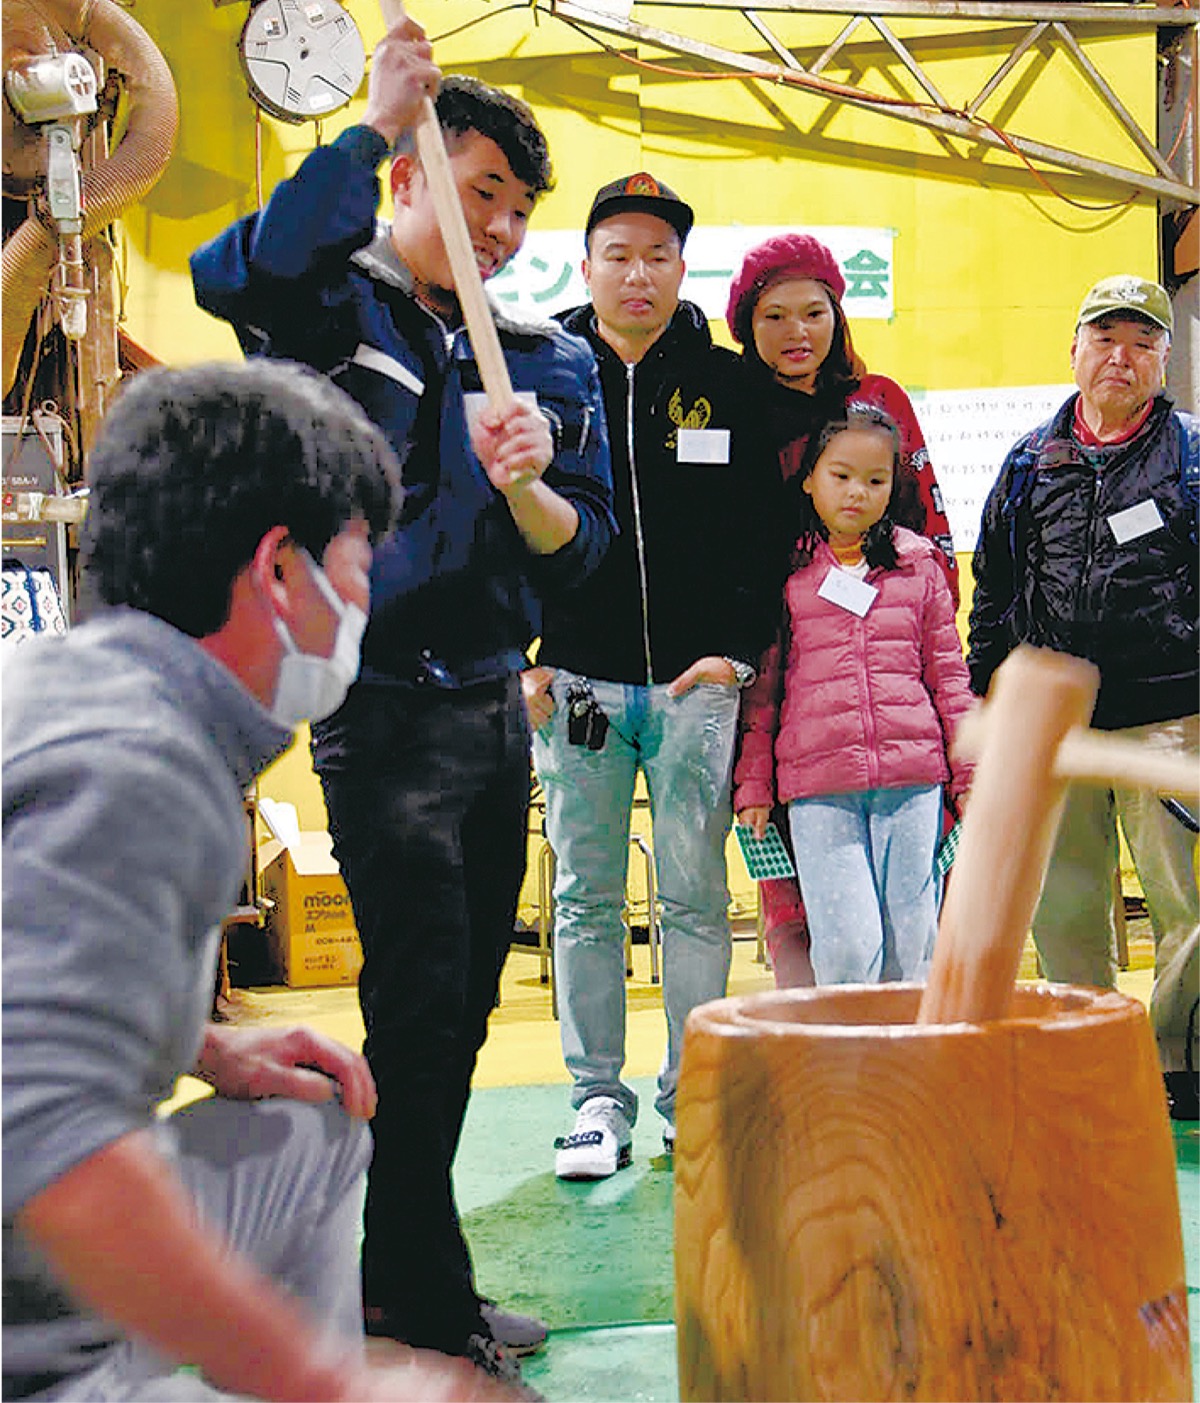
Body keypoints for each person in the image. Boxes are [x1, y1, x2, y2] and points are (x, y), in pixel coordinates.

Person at [190, 20, 616, 1380]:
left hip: (498, 706)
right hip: (381, 709)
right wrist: (374, 121)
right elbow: (238, 265)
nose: (497, 225)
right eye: (476, 188)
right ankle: (409, 1301)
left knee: (465, 1006)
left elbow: (587, 546)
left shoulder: (545, 357)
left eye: (515, 207)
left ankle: (408, 1278)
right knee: (423, 1003)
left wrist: (530, 483)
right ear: (415, 183)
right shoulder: (334, 301)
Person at [2, 359, 522, 1402]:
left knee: (315, 1120)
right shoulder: (143, 763)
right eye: (360, 562)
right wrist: (330, 1382)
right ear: (280, 571)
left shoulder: (59, 687)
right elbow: (46, 1149)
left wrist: (198, 1044)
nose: (365, 599)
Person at [521, 172, 789, 1180]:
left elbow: (763, 537)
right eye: (617, 253)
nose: (638, 273)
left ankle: (694, 1091)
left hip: (696, 690)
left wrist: (734, 654)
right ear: (584, 264)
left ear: (683, 268)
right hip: (576, 689)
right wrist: (523, 661)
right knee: (586, 897)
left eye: (658, 255)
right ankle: (596, 1097)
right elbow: (492, 520)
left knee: (690, 895)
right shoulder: (541, 370)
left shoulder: (726, 384)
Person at [968, 273, 1199, 1121]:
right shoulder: (1031, 463)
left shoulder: (1194, 458)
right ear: (1074, 351)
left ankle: (1180, 1057)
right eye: (1105, 338)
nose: (1121, 357)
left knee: (1189, 905)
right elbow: (991, 587)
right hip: (1051, 728)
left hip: (1167, 714)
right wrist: (987, 694)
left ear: (1164, 360)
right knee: (1063, 903)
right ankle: (1086, 1046)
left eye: (1143, 341)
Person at [725, 232, 960, 988]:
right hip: (784, 685)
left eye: (813, 313)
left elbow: (929, 524)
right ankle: (824, 1072)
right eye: (774, 317)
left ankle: (906, 1078)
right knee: (812, 917)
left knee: (909, 920)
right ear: (746, 326)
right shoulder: (735, 412)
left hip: (897, 706)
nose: (796, 334)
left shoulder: (878, 400)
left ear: (837, 313)